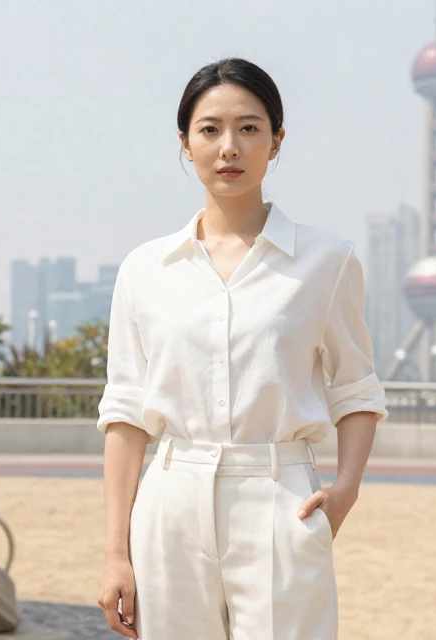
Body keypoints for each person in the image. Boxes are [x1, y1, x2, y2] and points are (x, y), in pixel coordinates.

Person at [95, 57, 389, 640]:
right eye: (210, 130)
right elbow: (126, 412)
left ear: (277, 142)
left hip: (281, 499)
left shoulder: (327, 262)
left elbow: (356, 388)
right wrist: (115, 553)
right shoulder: (145, 269)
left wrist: (345, 490)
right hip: (170, 501)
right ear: (184, 144)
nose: (229, 146)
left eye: (249, 128)